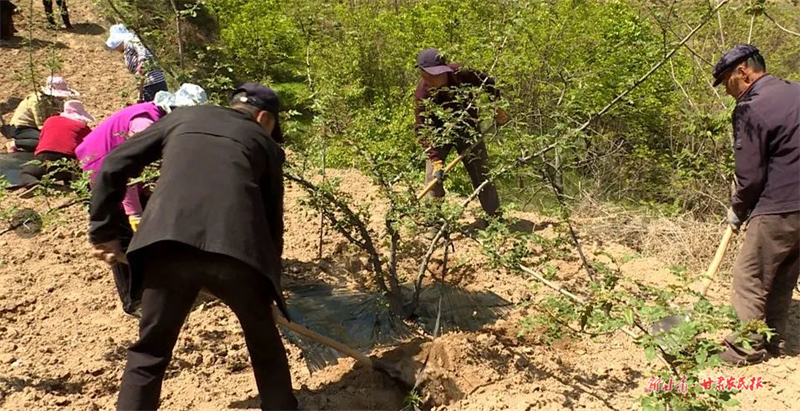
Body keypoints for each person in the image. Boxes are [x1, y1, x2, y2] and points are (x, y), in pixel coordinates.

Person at [88, 82, 297, 411]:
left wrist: (103, 231)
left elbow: (112, 165)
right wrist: (269, 288)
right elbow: (272, 222)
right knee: (264, 343)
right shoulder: (265, 144)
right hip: (237, 253)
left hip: (165, 245)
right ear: (264, 118)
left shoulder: (183, 118)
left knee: (150, 351)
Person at [76, 83, 207, 316]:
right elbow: (125, 175)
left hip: (126, 176)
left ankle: (161, 284)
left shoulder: (165, 123)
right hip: (102, 173)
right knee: (122, 237)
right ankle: (134, 302)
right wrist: (134, 213)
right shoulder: (144, 124)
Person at [711, 44, 800, 366]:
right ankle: (774, 341)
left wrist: (738, 208)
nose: (726, 91)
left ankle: (744, 349)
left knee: (750, 276)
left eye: (726, 82)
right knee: (781, 275)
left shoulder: (751, 108)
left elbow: (750, 174)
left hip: (779, 205)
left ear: (743, 71)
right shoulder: (796, 91)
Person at [414, 48, 508, 229]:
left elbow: (490, 83)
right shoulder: (422, 94)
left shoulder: (462, 73)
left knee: (482, 173)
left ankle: (494, 219)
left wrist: (498, 106)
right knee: (433, 178)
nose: (434, 80)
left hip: (468, 130)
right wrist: (436, 160)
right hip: (439, 136)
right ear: (422, 73)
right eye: (429, 76)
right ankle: (433, 224)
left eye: (437, 75)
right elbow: (422, 129)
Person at [19, 100, 93, 187]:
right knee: (75, 175)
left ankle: (34, 183)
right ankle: (78, 189)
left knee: (27, 173)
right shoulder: (83, 127)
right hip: (68, 162)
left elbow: (42, 140)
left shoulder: (50, 120)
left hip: (44, 157)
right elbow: (86, 149)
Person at [7, 75, 78, 152]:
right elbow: (41, 125)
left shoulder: (53, 102)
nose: (61, 99)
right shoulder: (37, 101)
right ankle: (15, 144)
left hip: (35, 128)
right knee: (45, 143)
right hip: (22, 127)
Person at [105, 24, 168, 102]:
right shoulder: (128, 48)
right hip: (147, 84)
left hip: (153, 82)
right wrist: (140, 94)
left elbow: (142, 50)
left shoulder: (131, 40)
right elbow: (140, 75)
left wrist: (142, 61)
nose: (116, 50)